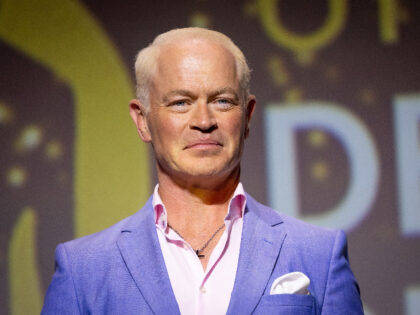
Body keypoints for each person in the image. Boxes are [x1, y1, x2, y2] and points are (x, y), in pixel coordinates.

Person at [42, 27, 363, 314]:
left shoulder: (319, 254)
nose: (204, 121)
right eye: (181, 102)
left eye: (222, 101)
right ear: (143, 120)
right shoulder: (84, 269)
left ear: (248, 116)